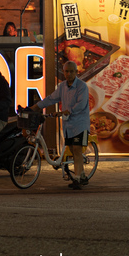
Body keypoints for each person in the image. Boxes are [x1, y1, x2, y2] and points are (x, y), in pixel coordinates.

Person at [36, 60, 91, 189]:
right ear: (63, 72)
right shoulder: (61, 87)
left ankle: (77, 179)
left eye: (72, 71)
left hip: (80, 123)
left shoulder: (82, 86)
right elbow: (51, 98)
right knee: (72, 150)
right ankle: (82, 176)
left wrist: (67, 111)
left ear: (76, 72)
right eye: (66, 71)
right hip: (68, 125)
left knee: (77, 150)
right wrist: (35, 107)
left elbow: (81, 105)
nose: (69, 74)